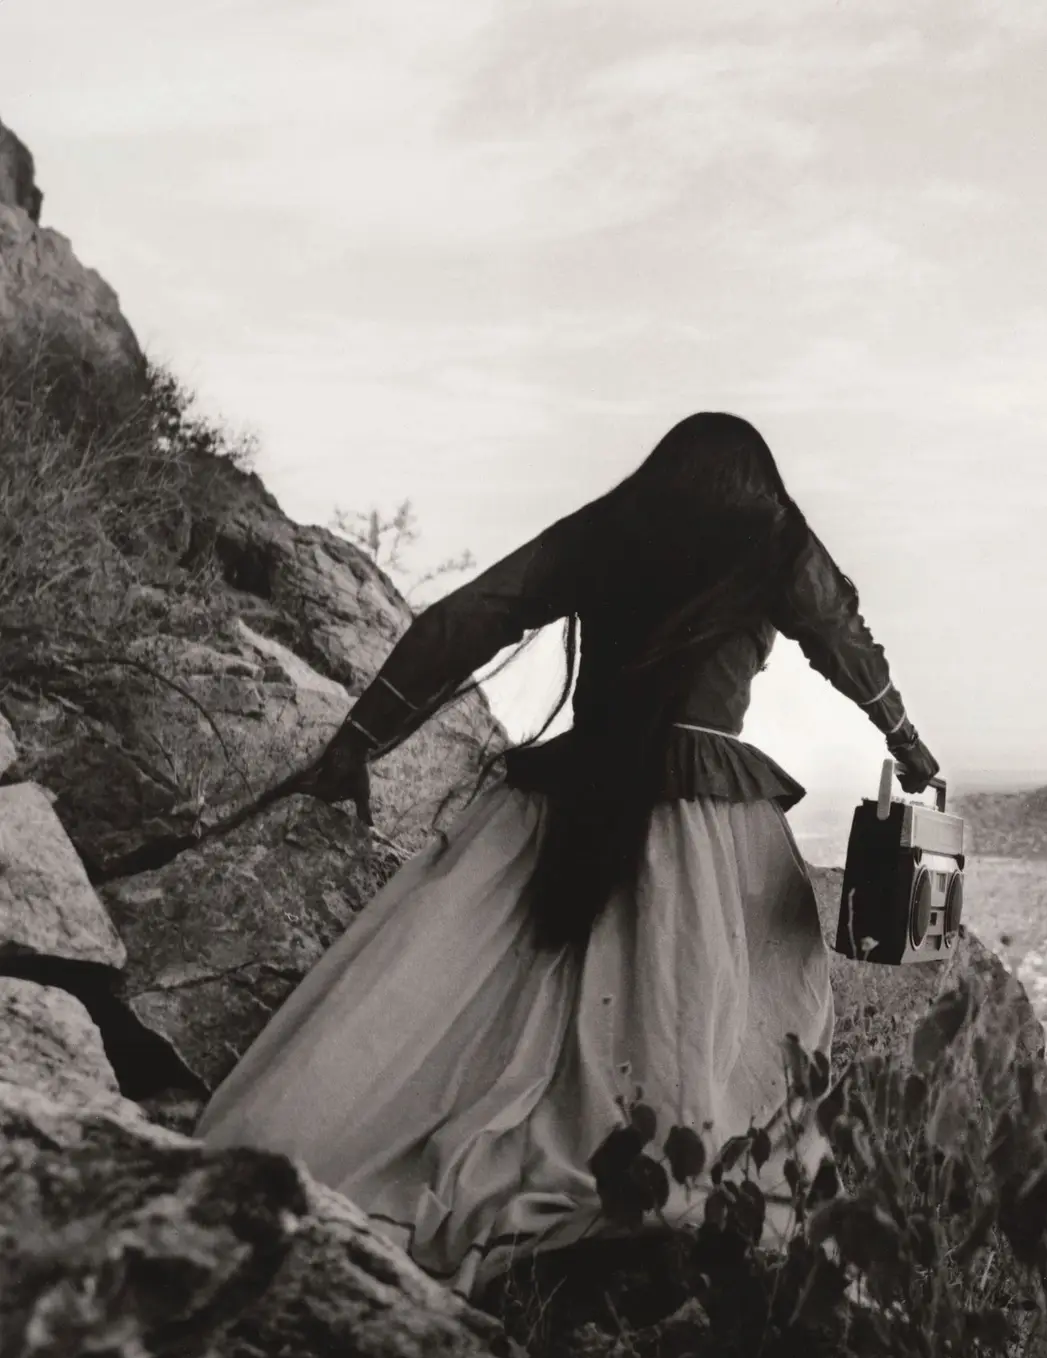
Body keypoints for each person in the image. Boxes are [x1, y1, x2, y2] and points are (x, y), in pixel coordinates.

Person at [195, 413, 938, 1296]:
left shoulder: (614, 525)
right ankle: (670, 1187)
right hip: (707, 823)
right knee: (721, 1016)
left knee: (482, 999)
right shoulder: (773, 539)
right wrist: (908, 744)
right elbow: (843, 638)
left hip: (569, 798)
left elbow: (471, 617)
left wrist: (362, 737)